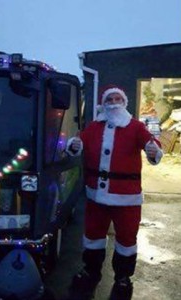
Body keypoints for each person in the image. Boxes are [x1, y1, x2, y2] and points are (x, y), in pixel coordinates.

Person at [65, 84, 163, 300]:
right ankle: (91, 270)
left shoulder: (135, 127)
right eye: (109, 100)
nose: (113, 103)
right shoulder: (93, 126)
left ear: (124, 102)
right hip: (96, 197)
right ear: (104, 104)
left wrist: (153, 150)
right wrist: (73, 145)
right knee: (93, 236)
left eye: (118, 99)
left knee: (127, 239)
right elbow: (78, 144)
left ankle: (123, 277)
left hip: (127, 198)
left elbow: (152, 144)